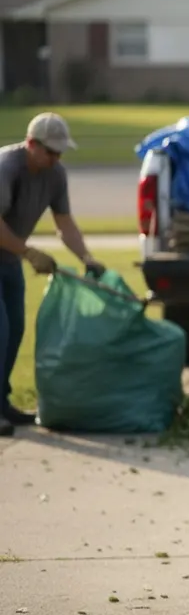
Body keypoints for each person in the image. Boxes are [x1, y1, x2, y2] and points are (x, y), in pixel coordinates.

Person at [0, 113, 106, 437]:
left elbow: (64, 222)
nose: (57, 159)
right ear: (31, 144)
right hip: (10, 250)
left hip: (7, 258)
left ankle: (1, 402)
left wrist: (86, 257)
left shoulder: (55, 174)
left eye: (60, 152)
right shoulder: (6, 168)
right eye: (51, 152)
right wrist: (28, 252)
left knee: (16, 326)